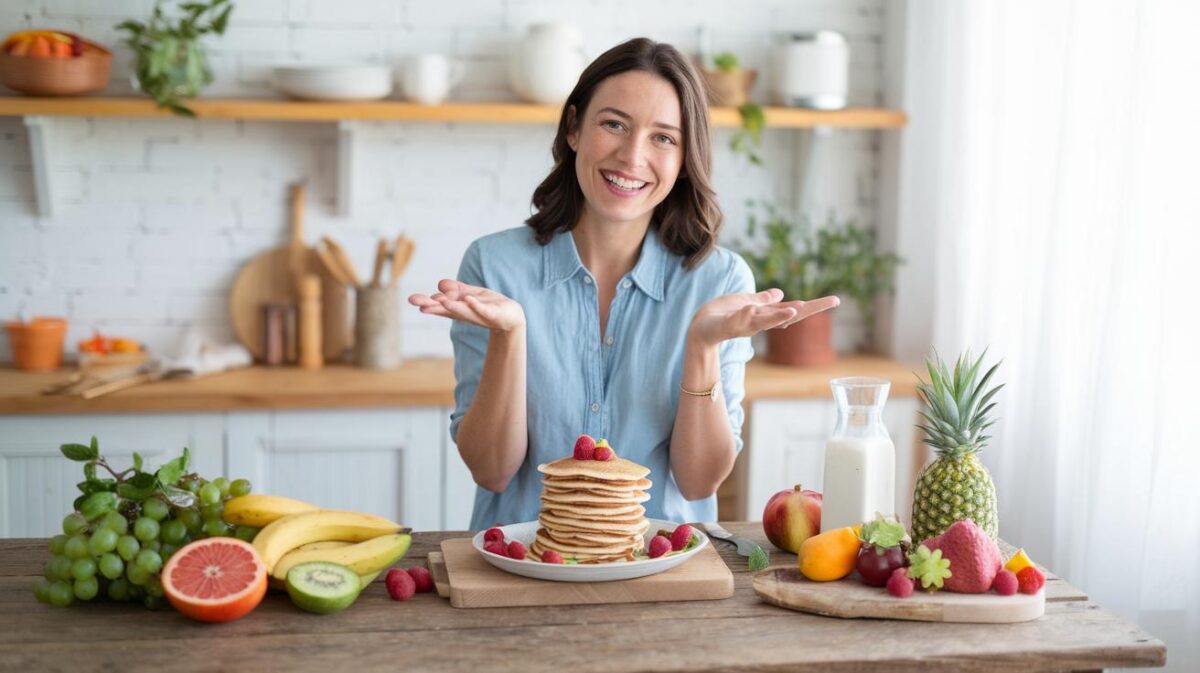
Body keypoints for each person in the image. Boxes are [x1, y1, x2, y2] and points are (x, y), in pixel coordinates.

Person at [409, 37, 838, 530]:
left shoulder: (720, 281)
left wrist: (700, 347)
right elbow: (491, 471)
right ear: (574, 128)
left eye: (663, 138)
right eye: (614, 124)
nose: (632, 157)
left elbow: (698, 484)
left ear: (683, 159)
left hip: (662, 572)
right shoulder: (494, 266)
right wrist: (510, 336)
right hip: (524, 567)